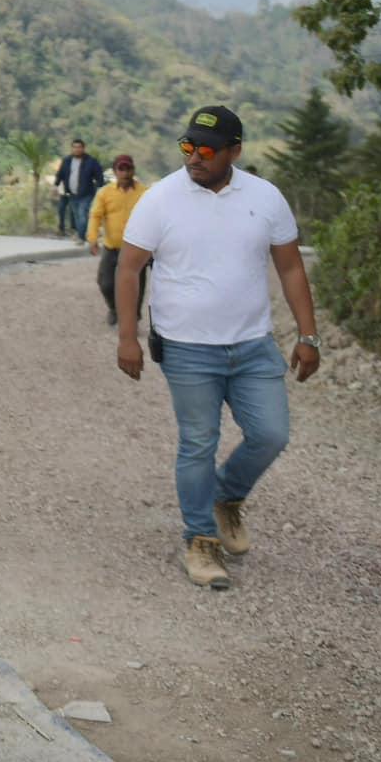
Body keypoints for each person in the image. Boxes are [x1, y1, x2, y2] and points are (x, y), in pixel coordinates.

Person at [114, 106, 322, 591]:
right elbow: (129, 269)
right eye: (187, 147)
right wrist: (128, 338)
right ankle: (200, 539)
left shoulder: (265, 197)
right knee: (198, 443)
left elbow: (291, 268)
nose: (194, 158)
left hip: (252, 345)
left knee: (271, 434)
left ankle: (225, 496)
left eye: (206, 150)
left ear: (235, 151)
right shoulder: (160, 199)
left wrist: (308, 336)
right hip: (188, 349)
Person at [87, 154, 148, 327]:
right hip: (111, 246)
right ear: (115, 171)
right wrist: (92, 238)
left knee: (136, 285)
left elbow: (154, 218)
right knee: (105, 282)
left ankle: (133, 316)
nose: (125, 172)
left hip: (136, 248)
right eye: (121, 169)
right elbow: (95, 215)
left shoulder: (144, 193)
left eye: (128, 168)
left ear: (133, 170)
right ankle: (114, 308)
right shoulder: (105, 193)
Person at [54, 138, 104, 241]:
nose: (77, 149)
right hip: (72, 194)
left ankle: (81, 237)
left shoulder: (91, 161)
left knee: (82, 214)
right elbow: (60, 174)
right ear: (72, 148)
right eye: (75, 147)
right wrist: (56, 185)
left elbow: (99, 175)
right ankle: (83, 234)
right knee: (77, 216)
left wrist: (100, 187)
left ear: (83, 148)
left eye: (79, 147)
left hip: (86, 194)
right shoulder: (67, 161)